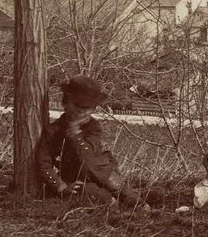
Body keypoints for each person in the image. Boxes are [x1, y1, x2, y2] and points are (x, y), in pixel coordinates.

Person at [35, 75, 139, 205]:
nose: (80, 111)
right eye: (77, 105)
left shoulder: (93, 127)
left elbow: (87, 156)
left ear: (93, 109)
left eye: (86, 108)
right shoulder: (53, 130)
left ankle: (135, 201)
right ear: (65, 103)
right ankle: (112, 204)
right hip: (77, 179)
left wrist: (75, 135)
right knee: (97, 196)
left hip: (102, 172)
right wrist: (61, 187)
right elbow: (44, 163)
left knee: (93, 168)